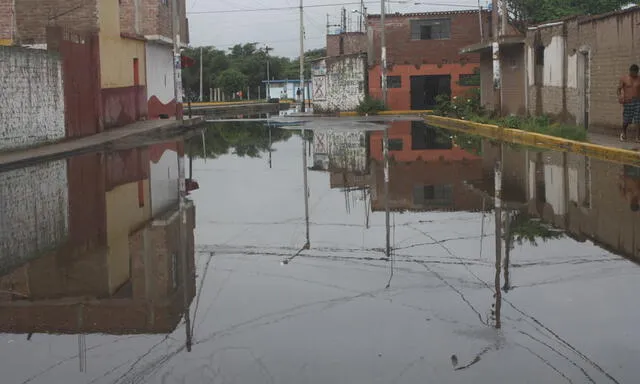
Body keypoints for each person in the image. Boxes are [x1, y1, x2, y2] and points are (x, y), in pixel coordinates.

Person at [617, 64, 640, 141]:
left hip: (637, 101)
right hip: (628, 101)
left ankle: (637, 137)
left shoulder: (639, 79)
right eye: (633, 73)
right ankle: (623, 133)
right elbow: (619, 89)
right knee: (626, 120)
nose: (634, 74)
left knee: (638, 118)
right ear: (630, 71)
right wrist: (620, 96)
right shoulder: (624, 78)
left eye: (636, 73)